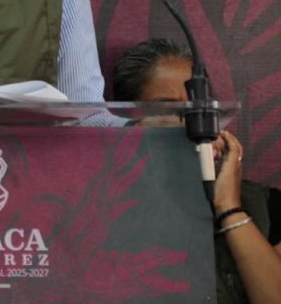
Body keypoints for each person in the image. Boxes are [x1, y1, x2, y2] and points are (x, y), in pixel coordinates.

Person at [112, 39, 281, 304]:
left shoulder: (267, 206)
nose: (189, 124)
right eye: (170, 110)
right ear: (131, 122)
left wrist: (229, 208)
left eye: (198, 109)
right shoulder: (102, 210)